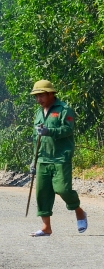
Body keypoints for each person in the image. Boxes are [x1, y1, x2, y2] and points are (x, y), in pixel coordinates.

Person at [29, 80, 87, 236]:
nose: (38, 99)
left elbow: (68, 129)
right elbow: (36, 138)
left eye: (41, 95)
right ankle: (46, 227)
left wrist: (50, 131)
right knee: (42, 193)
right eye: (36, 96)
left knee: (63, 189)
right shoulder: (39, 113)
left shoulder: (64, 109)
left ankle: (79, 211)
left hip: (61, 158)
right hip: (42, 159)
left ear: (50, 94)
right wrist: (33, 160)